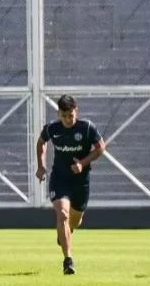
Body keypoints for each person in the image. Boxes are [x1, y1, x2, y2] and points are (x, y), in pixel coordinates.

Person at [35, 94, 106, 275]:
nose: (67, 120)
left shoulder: (87, 128)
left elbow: (100, 148)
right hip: (60, 179)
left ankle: (65, 233)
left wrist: (82, 163)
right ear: (59, 113)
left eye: (71, 116)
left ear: (77, 112)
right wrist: (41, 166)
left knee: (75, 220)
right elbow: (41, 142)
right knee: (63, 215)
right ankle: (68, 260)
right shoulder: (52, 128)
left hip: (80, 182)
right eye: (64, 116)